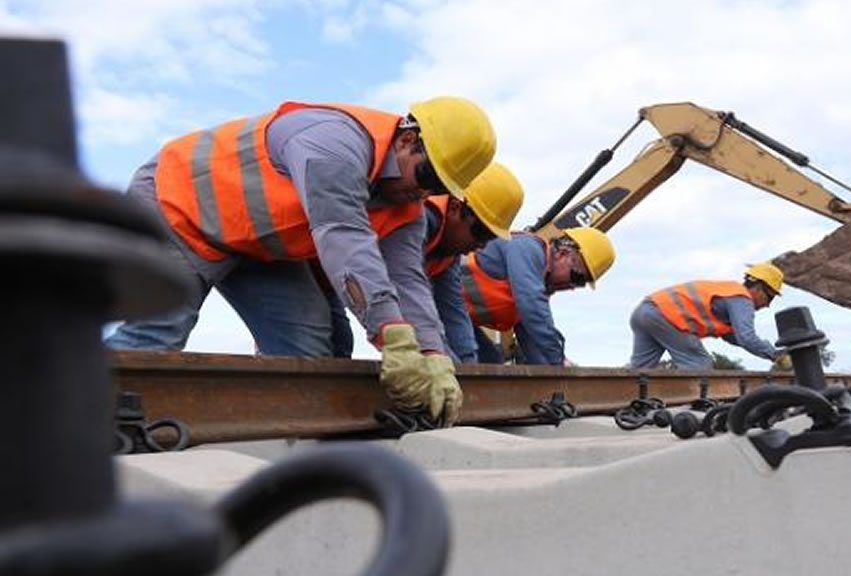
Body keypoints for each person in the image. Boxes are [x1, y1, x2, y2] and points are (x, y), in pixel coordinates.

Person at [105, 96, 497, 426]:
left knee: (305, 349)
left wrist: (433, 354)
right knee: (156, 336)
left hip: (258, 246)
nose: (423, 192)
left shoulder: (408, 204)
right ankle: (76, 419)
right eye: (426, 174)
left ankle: (276, 447)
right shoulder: (334, 142)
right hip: (179, 206)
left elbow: (407, 278)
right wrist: (392, 336)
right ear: (407, 140)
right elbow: (343, 236)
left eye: (439, 188)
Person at [323, 162, 525, 360]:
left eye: (490, 238)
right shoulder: (421, 221)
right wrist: (442, 359)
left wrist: (467, 367)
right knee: (327, 341)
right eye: (480, 233)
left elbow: (452, 312)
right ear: (455, 207)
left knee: (339, 343)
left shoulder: (449, 250)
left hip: (339, 278)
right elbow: (407, 291)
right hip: (322, 265)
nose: (481, 245)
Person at [450, 228, 615, 365]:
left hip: (453, 317)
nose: (573, 287)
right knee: (469, 362)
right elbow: (532, 308)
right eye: (577, 278)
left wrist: (555, 374)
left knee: (490, 363)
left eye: (580, 284)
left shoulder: (535, 284)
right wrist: (558, 359)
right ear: (562, 254)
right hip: (438, 305)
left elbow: (532, 340)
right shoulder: (527, 248)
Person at [628, 263, 786, 370]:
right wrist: (775, 355)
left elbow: (735, 336)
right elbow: (747, 338)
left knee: (641, 368)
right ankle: (693, 410)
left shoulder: (728, 293)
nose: (767, 305)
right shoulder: (741, 299)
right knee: (699, 364)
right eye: (769, 297)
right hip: (667, 317)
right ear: (758, 288)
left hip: (644, 311)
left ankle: (620, 401)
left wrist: (772, 353)